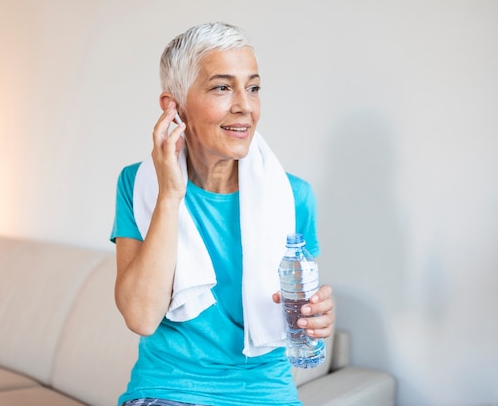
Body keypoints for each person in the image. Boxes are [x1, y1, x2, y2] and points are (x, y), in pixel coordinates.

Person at [110, 22, 334, 406]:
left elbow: (299, 308)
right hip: (169, 390)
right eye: (221, 87)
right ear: (174, 107)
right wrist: (169, 196)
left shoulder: (293, 196)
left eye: (253, 88)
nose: (245, 106)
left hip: (267, 392)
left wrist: (316, 318)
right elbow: (141, 317)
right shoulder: (137, 184)